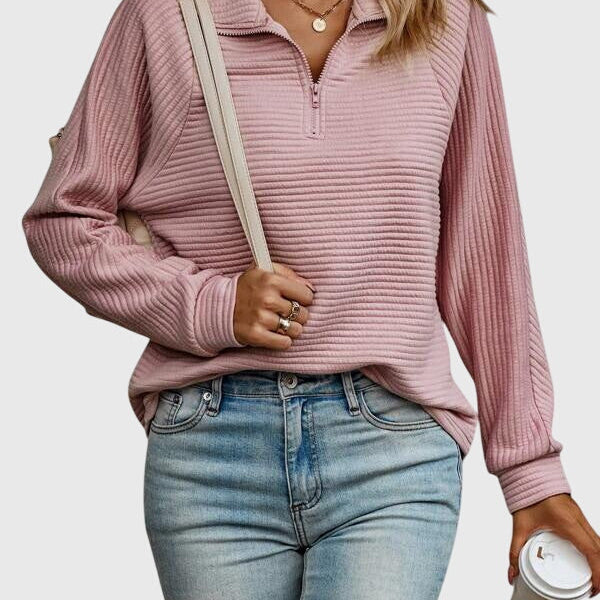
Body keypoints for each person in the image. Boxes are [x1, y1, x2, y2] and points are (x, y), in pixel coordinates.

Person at [22, 0, 600, 598]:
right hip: (212, 451)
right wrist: (211, 305)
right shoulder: (168, 14)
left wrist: (531, 471)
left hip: (391, 448)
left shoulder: (446, 17)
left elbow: (486, 253)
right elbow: (65, 219)